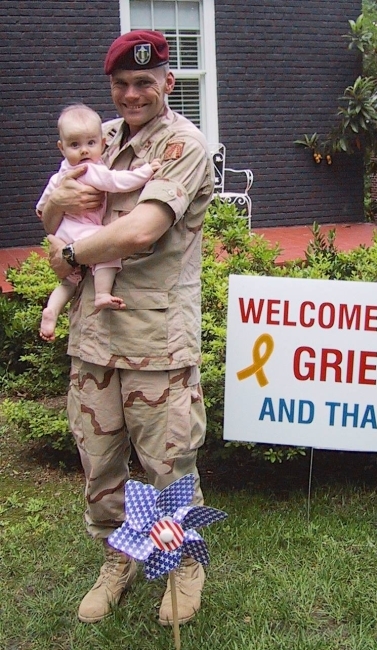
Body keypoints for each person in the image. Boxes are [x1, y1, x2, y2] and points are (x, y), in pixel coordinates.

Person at [40, 30, 214, 626]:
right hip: (94, 334)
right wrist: (56, 219)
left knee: (167, 463)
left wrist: (70, 254)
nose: (133, 94)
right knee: (100, 459)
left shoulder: (184, 145)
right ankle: (119, 556)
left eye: (145, 82)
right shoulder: (101, 141)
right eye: (122, 85)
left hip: (155, 338)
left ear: (167, 81)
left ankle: (183, 562)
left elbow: (141, 231)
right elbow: (51, 215)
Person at [37, 103, 161, 341]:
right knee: (107, 251)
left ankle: (52, 311)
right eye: (75, 145)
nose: (84, 151)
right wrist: (146, 172)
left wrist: (52, 205)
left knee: (69, 281)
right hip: (82, 230)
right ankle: (103, 293)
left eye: (90, 144)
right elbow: (118, 181)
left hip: (65, 231)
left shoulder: (60, 175)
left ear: (102, 143)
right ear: (61, 148)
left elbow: (44, 206)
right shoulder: (91, 169)